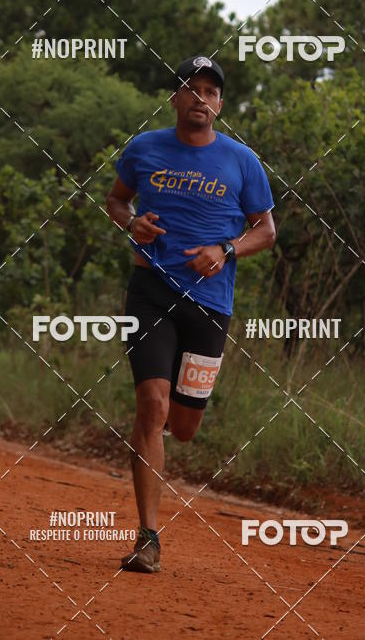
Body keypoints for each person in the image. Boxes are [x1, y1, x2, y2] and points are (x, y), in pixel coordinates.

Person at [105, 55, 276, 573]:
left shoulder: (241, 160)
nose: (200, 98)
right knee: (151, 408)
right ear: (175, 98)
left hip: (210, 304)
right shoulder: (144, 148)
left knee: (183, 426)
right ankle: (148, 536)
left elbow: (266, 231)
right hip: (150, 291)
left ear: (220, 105)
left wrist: (225, 248)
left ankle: (178, 432)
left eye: (210, 91)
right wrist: (131, 223)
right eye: (190, 88)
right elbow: (115, 202)